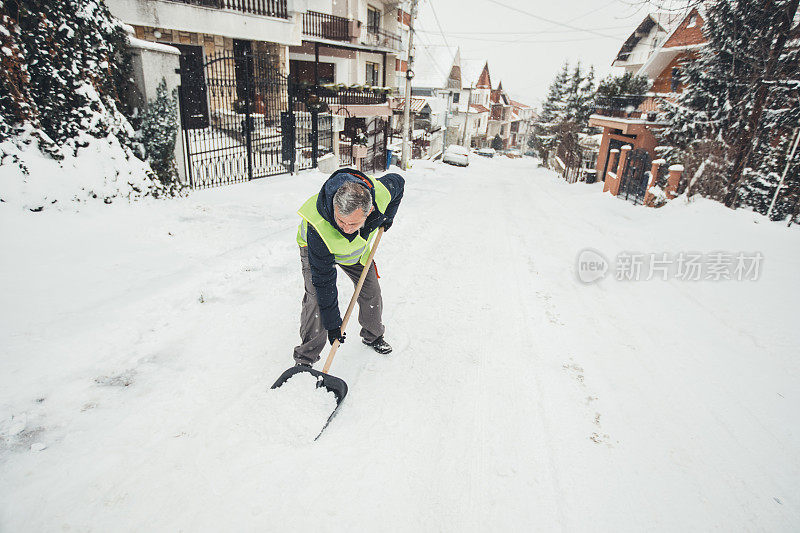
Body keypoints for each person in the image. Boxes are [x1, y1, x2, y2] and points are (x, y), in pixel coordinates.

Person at [294, 167, 404, 368]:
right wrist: (333, 324)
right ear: (334, 206)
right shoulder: (318, 225)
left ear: (369, 211)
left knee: (370, 291)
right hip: (316, 250)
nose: (346, 229)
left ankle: (373, 335)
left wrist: (388, 217)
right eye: (341, 221)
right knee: (317, 299)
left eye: (353, 224)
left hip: (354, 253)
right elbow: (324, 281)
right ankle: (305, 359)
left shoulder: (381, 194)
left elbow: (399, 182)